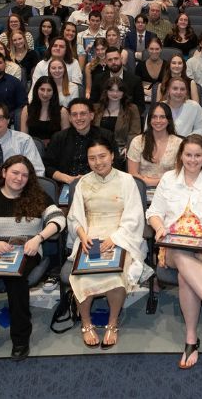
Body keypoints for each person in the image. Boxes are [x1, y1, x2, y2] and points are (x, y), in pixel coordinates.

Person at [0, 155, 65, 361]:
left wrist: (38, 238)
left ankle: (20, 339)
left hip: (25, 251)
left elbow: (59, 219)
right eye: (15, 173)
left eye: (25, 175)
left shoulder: (37, 197)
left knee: (16, 281)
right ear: (4, 173)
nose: (19, 178)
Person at [146, 135, 202, 369]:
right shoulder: (168, 179)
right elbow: (153, 212)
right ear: (181, 156)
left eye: (197, 155)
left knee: (186, 278)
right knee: (179, 252)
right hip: (173, 243)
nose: (192, 160)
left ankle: (191, 339)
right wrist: (159, 227)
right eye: (188, 155)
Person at [66, 135, 147, 349]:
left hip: (120, 234)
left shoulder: (127, 180)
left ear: (112, 155)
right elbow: (74, 216)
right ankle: (86, 322)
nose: (98, 162)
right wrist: (82, 236)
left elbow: (134, 216)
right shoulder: (83, 182)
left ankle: (112, 323)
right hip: (90, 234)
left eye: (102, 156)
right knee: (80, 275)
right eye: (92, 158)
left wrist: (115, 238)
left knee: (115, 273)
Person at [43, 98, 118, 184]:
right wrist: (67, 178)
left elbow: (115, 164)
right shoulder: (59, 137)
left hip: (100, 183)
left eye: (83, 114)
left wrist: (91, 178)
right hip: (66, 184)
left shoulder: (107, 136)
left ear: (91, 116)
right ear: (70, 118)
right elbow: (47, 166)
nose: (78, 118)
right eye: (74, 114)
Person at [93, 77, 141, 154]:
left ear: (123, 92)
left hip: (122, 150)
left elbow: (135, 133)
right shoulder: (96, 108)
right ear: (106, 91)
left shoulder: (132, 109)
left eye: (119, 90)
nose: (115, 94)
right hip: (98, 149)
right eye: (111, 90)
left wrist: (128, 147)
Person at [20, 76, 70, 143]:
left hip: (55, 150)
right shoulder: (26, 110)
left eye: (49, 90)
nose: (45, 94)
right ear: (36, 90)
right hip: (32, 150)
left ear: (54, 92)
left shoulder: (62, 112)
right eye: (42, 89)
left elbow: (66, 139)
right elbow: (24, 138)